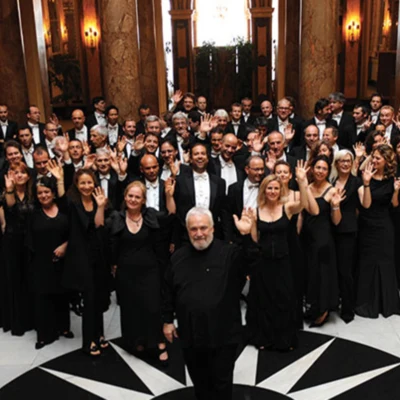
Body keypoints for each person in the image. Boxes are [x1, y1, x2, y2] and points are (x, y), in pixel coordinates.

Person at [163, 206, 255, 400]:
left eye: (203, 228)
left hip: (224, 335)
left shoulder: (230, 253)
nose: (199, 234)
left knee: (221, 385)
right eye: (193, 229)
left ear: (213, 228)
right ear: (187, 231)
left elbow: (252, 262)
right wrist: (167, 320)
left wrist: (246, 236)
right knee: (200, 384)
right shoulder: (177, 258)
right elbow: (168, 290)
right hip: (191, 335)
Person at [246, 162, 309, 350]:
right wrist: (247, 225)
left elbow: (304, 204)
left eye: (275, 188)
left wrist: (302, 182)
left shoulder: (287, 208)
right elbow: (255, 239)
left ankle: (285, 339)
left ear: (280, 190)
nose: (272, 191)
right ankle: (265, 338)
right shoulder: (256, 212)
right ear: (264, 191)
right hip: (264, 264)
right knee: (264, 301)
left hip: (283, 262)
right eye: (269, 188)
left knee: (284, 299)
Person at [110, 180, 175, 363]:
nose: (133, 199)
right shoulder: (117, 217)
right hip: (126, 274)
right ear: (125, 197)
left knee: (152, 308)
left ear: (144, 200)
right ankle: (136, 340)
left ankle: (159, 343)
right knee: (131, 309)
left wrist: (169, 195)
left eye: (137, 196)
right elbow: (99, 226)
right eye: (130, 196)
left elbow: (171, 213)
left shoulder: (151, 215)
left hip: (150, 272)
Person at [63, 169, 110, 356]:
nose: (86, 186)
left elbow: (99, 224)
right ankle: (88, 341)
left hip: (99, 255)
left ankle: (99, 334)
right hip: (81, 258)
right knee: (89, 300)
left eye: (89, 182)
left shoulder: (100, 200)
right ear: (76, 184)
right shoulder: (72, 203)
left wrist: (100, 206)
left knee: (99, 298)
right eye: (82, 183)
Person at [27, 161, 72, 348]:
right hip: (41, 263)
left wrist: (65, 246)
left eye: (47, 192)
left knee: (62, 296)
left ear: (53, 193)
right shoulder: (33, 215)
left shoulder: (63, 211)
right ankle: (44, 335)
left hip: (62, 262)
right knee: (42, 299)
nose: (44, 195)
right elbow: (28, 241)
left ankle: (63, 327)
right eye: (40, 193)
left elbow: (73, 233)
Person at [355, 144, 400, 318]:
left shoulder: (392, 179)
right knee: (367, 261)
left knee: (386, 261)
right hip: (367, 226)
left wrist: (396, 191)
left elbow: (394, 205)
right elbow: (366, 205)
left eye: (378, 158)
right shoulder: (364, 177)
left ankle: (386, 303)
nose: (374, 160)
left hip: (385, 226)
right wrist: (366, 184)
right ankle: (367, 302)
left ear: (386, 161)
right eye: (373, 157)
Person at [302, 155, 345, 327]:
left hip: (323, 239)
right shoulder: (307, 187)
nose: (320, 171)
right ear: (312, 169)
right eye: (318, 167)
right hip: (307, 238)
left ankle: (324, 309)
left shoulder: (332, 190)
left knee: (323, 275)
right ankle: (312, 306)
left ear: (328, 171)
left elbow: (336, 221)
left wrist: (335, 205)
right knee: (310, 273)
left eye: (324, 168)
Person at [2, 162, 35, 335]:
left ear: (28, 176)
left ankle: (32, 319)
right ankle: (17, 322)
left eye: (23, 172)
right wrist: (9, 189)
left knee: (30, 281)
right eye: (16, 172)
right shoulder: (7, 194)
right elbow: (11, 208)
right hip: (12, 242)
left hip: (31, 242)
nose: (19, 175)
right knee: (15, 280)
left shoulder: (34, 193)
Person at [330, 150, 363, 323]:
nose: (345, 164)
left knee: (345, 271)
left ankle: (348, 308)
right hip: (331, 230)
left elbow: (363, 205)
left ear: (352, 163)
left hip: (348, 232)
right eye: (341, 161)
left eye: (348, 161)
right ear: (336, 163)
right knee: (333, 268)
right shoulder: (332, 181)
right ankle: (334, 302)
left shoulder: (357, 182)